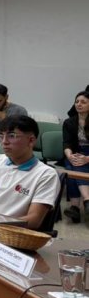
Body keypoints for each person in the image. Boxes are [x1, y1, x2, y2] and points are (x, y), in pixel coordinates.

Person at [62, 90, 89, 223]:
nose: (79, 104)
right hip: (76, 152)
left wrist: (87, 158)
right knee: (72, 165)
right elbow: (66, 143)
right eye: (77, 101)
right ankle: (87, 202)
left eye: (83, 102)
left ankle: (75, 207)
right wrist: (70, 155)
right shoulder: (69, 122)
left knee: (75, 168)